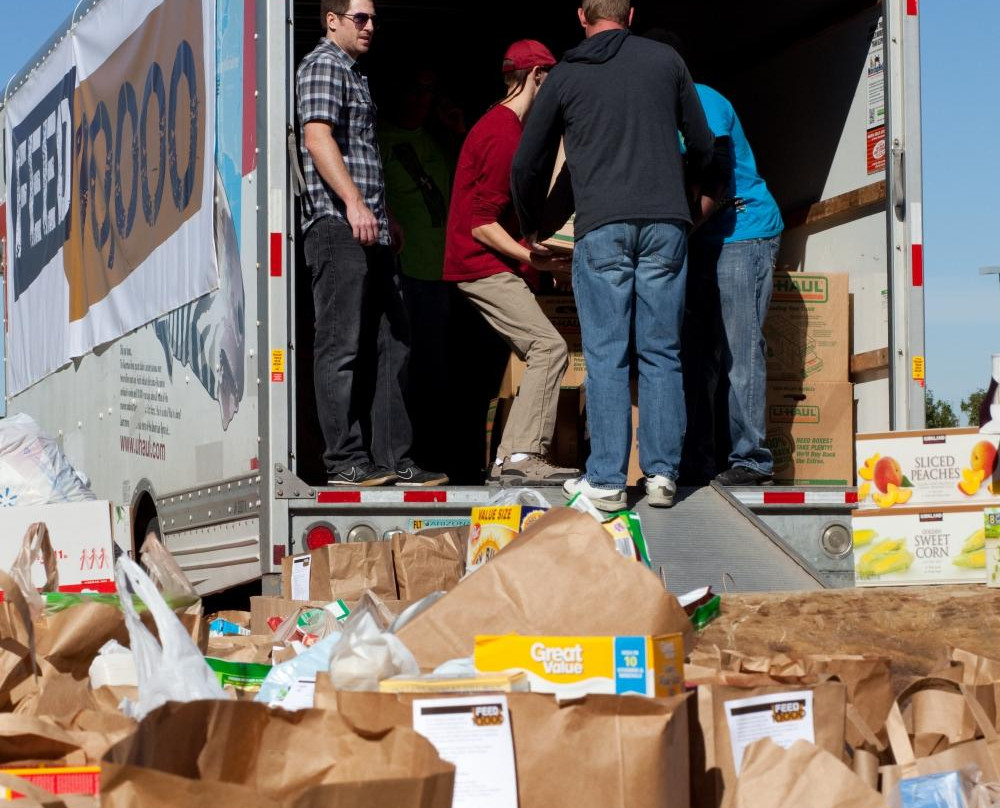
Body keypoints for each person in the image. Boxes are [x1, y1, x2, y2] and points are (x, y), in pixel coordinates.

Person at [511, 1, 714, 510]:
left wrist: (531, 221)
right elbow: (705, 143)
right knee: (661, 351)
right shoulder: (666, 62)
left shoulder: (568, 73)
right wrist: (687, 193)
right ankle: (663, 476)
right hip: (667, 224)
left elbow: (527, 162)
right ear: (632, 14)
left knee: (607, 355)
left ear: (580, 15)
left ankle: (605, 480)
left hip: (602, 227)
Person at [296, 0, 446, 487]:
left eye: (373, 18)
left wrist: (386, 216)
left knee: (394, 342)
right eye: (360, 18)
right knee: (340, 345)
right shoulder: (323, 64)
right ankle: (343, 461)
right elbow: (319, 138)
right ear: (332, 20)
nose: (370, 26)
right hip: (337, 226)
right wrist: (355, 204)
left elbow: (359, 150)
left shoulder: (355, 73)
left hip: (371, 227)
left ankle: (393, 459)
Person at [644, 30, 785, 487]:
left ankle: (751, 458)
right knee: (694, 352)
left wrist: (675, 232)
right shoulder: (658, 110)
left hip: (742, 234)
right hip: (702, 240)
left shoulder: (703, 100)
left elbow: (717, 178)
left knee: (738, 348)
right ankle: (697, 457)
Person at [442, 40, 579, 486]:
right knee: (549, 348)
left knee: (529, 353)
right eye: (551, 80)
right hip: (480, 264)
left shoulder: (503, 126)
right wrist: (531, 257)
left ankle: (506, 461)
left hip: (488, 263)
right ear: (537, 76)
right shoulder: (502, 135)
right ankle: (521, 456)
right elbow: (480, 224)